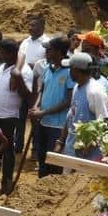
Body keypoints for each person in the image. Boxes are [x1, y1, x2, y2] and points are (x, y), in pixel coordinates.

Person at [0, 39, 32, 194]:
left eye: (2, 52)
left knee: (7, 149)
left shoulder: (23, 71)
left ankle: (6, 181)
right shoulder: (2, 67)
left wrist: (18, 78)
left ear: (11, 53)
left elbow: (27, 95)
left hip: (8, 117)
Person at [29, 37, 73, 177]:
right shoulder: (48, 69)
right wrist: (36, 107)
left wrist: (43, 113)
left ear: (59, 52)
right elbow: (42, 91)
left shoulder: (69, 72)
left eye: (50, 49)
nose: (46, 52)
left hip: (58, 127)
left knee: (53, 162)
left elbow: (68, 101)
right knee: (42, 159)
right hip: (43, 123)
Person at [57, 52, 108, 161]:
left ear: (76, 69)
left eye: (70, 69)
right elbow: (70, 116)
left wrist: (89, 145)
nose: (69, 72)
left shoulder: (95, 92)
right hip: (71, 150)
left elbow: (105, 122)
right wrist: (61, 141)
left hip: (88, 157)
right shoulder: (77, 87)